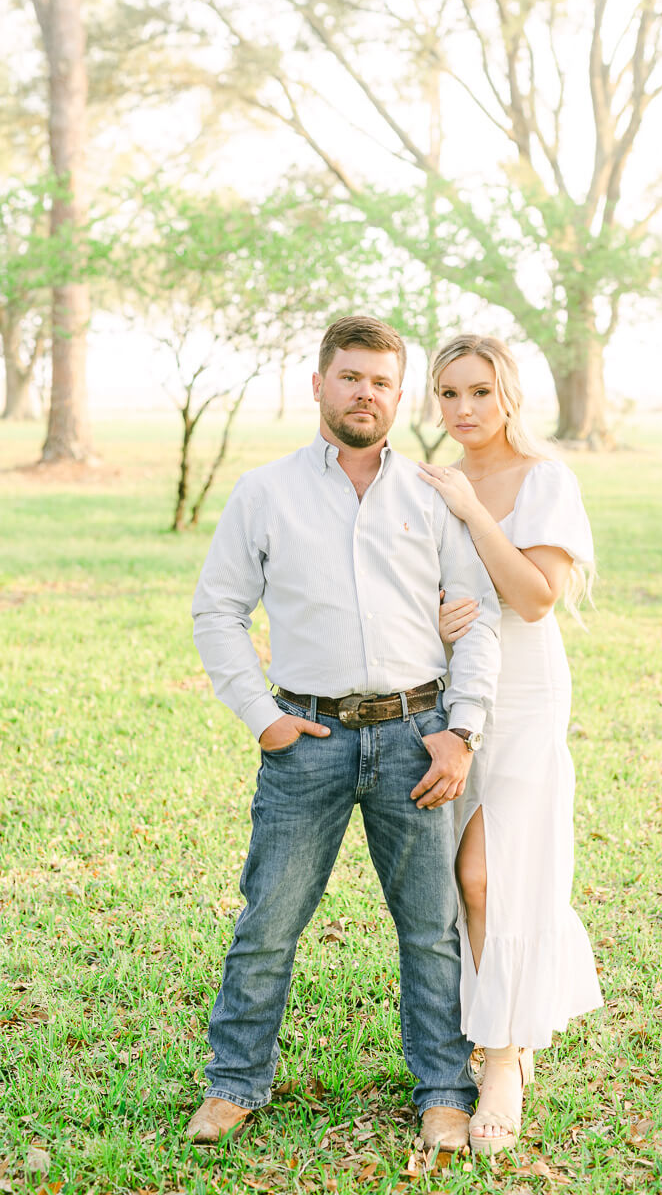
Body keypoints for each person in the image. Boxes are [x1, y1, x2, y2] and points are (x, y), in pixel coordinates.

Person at [187, 316, 502, 1151]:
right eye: (353, 377)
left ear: (400, 398)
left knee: (430, 927)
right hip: (308, 738)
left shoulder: (431, 495)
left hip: (416, 736)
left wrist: (460, 730)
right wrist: (263, 717)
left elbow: (479, 621)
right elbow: (216, 610)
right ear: (320, 384)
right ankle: (235, 1082)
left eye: (384, 382)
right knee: (268, 921)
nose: (368, 393)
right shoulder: (265, 491)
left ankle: (443, 1087)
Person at [418, 334, 603, 1156]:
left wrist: (469, 511)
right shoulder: (426, 482)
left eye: (480, 393)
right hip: (451, 690)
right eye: (449, 394)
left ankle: (501, 1058)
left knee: (490, 870)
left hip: (526, 693)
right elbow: (414, 587)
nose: (463, 410)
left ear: (509, 396)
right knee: (463, 876)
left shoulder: (543, 480)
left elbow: (534, 596)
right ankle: (497, 1027)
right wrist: (438, 615)